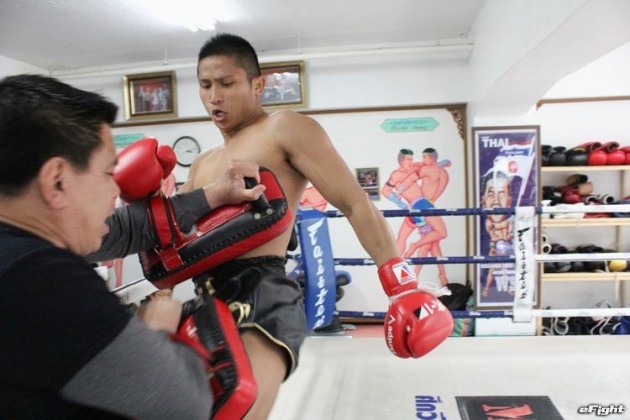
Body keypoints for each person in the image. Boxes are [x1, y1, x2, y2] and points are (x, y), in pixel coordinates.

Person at [182, 33, 454, 419]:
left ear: (257, 85)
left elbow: (354, 202)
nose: (214, 97)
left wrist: (401, 285)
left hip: (261, 291)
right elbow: (177, 240)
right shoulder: (201, 163)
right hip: (207, 299)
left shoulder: (282, 128)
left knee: (239, 408)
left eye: (226, 83)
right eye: (206, 85)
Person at [0, 74, 266, 418]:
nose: (115, 190)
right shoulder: (43, 281)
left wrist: (215, 194)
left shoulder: (19, 247)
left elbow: (123, 229)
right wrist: (156, 330)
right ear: (57, 181)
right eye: (107, 173)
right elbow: (181, 404)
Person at [381, 148, 450, 285]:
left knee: (425, 240)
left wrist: (443, 162)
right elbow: (385, 191)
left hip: (415, 208)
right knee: (438, 234)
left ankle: (401, 271)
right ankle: (402, 263)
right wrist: (400, 204)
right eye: (408, 159)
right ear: (401, 161)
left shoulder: (415, 167)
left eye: (412, 159)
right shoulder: (396, 174)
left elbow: (429, 166)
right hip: (420, 206)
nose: (411, 162)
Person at [479, 168, 515, 298]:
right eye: (491, 194)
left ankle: (492, 288)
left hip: (504, 247)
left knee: (505, 269)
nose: (496, 200)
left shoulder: (509, 222)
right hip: (496, 248)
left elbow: (508, 231)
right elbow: (499, 226)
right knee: (495, 270)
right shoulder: (490, 222)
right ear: (483, 201)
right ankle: (487, 289)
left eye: (502, 194)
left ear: (509, 201)